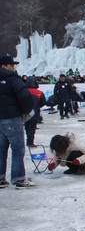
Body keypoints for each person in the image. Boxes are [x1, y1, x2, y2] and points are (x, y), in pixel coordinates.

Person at [0, 54, 35, 188]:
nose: (13, 67)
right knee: (18, 149)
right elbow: (25, 97)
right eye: (11, 65)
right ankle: (19, 179)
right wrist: (27, 112)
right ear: (5, 66)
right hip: (12, 118)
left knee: (1, 150)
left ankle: (1, 179)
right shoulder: (13, 79)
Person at [24, 76, 46, 148]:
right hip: (34, 113)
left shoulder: (23, 91)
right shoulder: (39, 93)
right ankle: (30, 142)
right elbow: (43, 102)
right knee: (31, 129)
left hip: (23, 113)